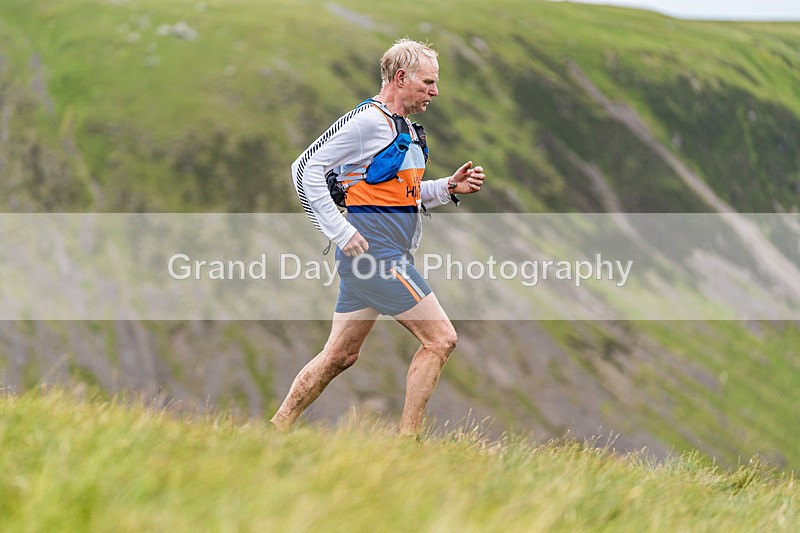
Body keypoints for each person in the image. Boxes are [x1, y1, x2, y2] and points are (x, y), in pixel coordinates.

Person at [271, 38, 486, 436]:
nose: (435, 92)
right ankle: (408, 443)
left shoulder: (399, 127)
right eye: (428, 82)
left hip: (374, 257)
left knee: (339, 356)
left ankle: (275, 429)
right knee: (441, 340)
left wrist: (447, 188)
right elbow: (304, 168)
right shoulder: (369, 121)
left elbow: (401, 195)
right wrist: (339, 230)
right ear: (401, 78)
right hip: (378, 258)